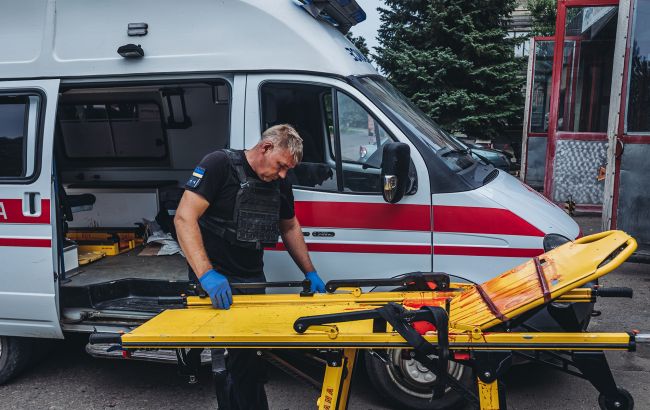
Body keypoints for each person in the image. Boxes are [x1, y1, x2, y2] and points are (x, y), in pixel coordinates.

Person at [174, 124, 325, 409]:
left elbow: (289, 226)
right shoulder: (219, 165)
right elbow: (184, 218)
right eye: (281, 166)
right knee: (224, 358)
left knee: (249, 356)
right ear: (265, 148)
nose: (283, 175)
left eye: (288, 170)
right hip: (213, 277)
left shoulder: (279, 182)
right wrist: (206, 274)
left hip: (251, 277)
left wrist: (310, 272)